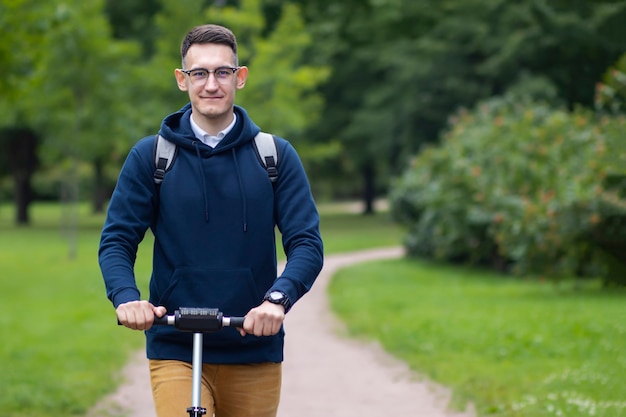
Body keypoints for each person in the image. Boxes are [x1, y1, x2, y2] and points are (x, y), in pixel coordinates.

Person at [98, 24, 324, 417]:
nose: (211, 84)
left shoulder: (274, 156)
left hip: (253, 347)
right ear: (182, 81)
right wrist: (126, 297)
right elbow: (118, 239)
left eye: (222, 72)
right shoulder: (152, 156)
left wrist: (277, 300)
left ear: (240, 77)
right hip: (176, 345)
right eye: (198, 73)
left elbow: (306, 243)